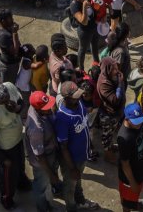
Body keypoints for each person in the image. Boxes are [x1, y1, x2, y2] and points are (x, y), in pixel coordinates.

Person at [54, 81, 98, 212]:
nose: (79, 97)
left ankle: (80, 200)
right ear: (66, 98)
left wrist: (90, 144)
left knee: (77, 180)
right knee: (70, 185)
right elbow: (63, 146)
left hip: (82, 155)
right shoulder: (63, 117)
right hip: (72, 161)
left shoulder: (78, 104)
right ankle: (71, 207)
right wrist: (72, 168)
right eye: (75, 96)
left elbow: (85, 126)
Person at [0, 81, 26, 209]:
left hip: (18, 139)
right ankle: (7, 200)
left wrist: (17, 109)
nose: (7, 102)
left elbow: (21, 101)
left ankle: (21, 183)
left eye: (7, 98)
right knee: (8, 177)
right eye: (3, 102)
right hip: (7, 147)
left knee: (20, 165)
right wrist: (2, 158)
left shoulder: (9, 86)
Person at [26, 90, 61, 212]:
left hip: (50, 152)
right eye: (47, 108)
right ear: (38, 109)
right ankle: (43, 208)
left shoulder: (39, 109)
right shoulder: (36, 127)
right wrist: (52, 175)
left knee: (47, 185)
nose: (50, 108)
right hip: (42, 162)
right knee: (41, 186)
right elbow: (40, 156)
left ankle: (51, 194)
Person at [67, 0, 99, 70]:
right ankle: (81, 69)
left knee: (95, 45)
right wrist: (84, 6)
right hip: (84, 31)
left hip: (94, 27)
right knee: (82, 49)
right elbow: (83, 21)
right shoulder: (74, 5)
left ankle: (96, 63)